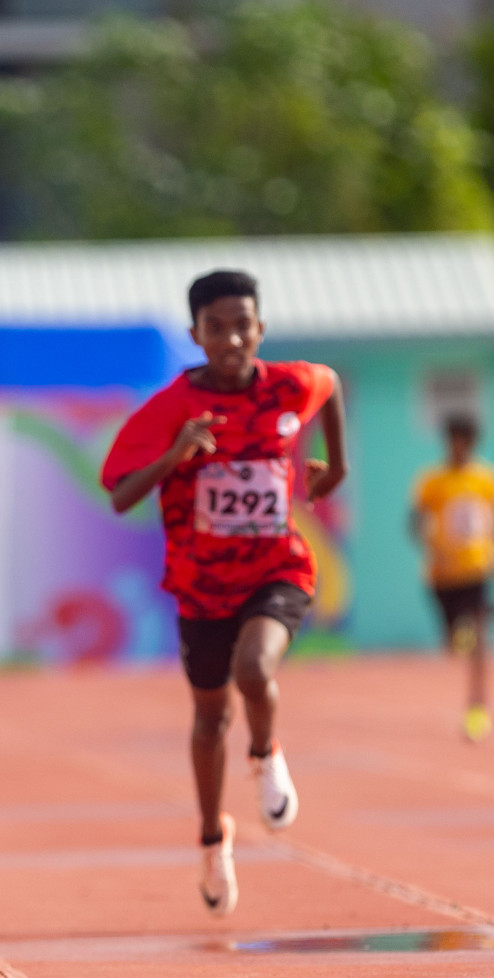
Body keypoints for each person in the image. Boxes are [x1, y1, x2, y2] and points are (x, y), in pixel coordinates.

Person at [99, 270, 346, 917]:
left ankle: (265, 756)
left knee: (255, 668)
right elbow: (121, 494)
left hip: (277, 568)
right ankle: (213, 840)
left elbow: (333, 385)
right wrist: (177, 455)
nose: (233, 338)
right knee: (209, 719)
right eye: (217, 327)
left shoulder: (291, 383)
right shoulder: (170, 409)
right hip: (202, 586)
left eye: (244, 324)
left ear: (260, 328)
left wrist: (335, 467)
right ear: (196, 336)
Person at [411, 414, 494, 742]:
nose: (459, 447)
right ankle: (458, 632)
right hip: (443, 573)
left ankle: (477, 708)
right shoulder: (432, 482)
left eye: (465, 441)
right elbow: (415, 523)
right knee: (453, 643)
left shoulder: (489, 480)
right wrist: (431, 545)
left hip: (477, 568)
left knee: (481, 641)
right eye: (454, 440)